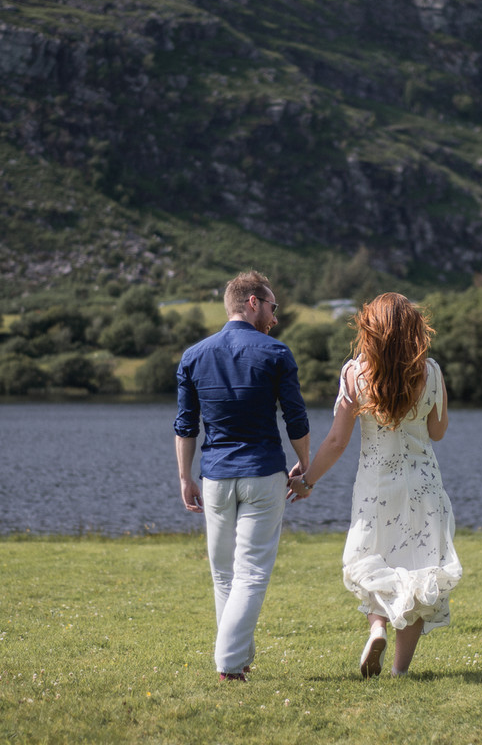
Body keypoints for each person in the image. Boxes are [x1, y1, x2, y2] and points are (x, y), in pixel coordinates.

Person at [288, 292, 460, 678]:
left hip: (376, 485)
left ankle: (377, 627)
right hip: (423, 485)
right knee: (420, 569)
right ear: (414, 329)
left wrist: (307, 480)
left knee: (372, 558)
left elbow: (336, 441)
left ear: (371, 330)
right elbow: (438, 431)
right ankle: (400, 671)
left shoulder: (355, 374)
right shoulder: (431, 372)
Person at [174, 270, 310, 682]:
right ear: (252, 302)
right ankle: (230, 664)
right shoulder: (276, 353)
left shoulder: (194, 355)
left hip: (215, 476)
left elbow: (185, 424)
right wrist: (304, 465)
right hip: (263, 473)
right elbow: (296, 416)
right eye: (272, 305)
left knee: (224, 574)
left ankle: (238, 660)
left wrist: (184, 478)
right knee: (250, 572)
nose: (275, 314)